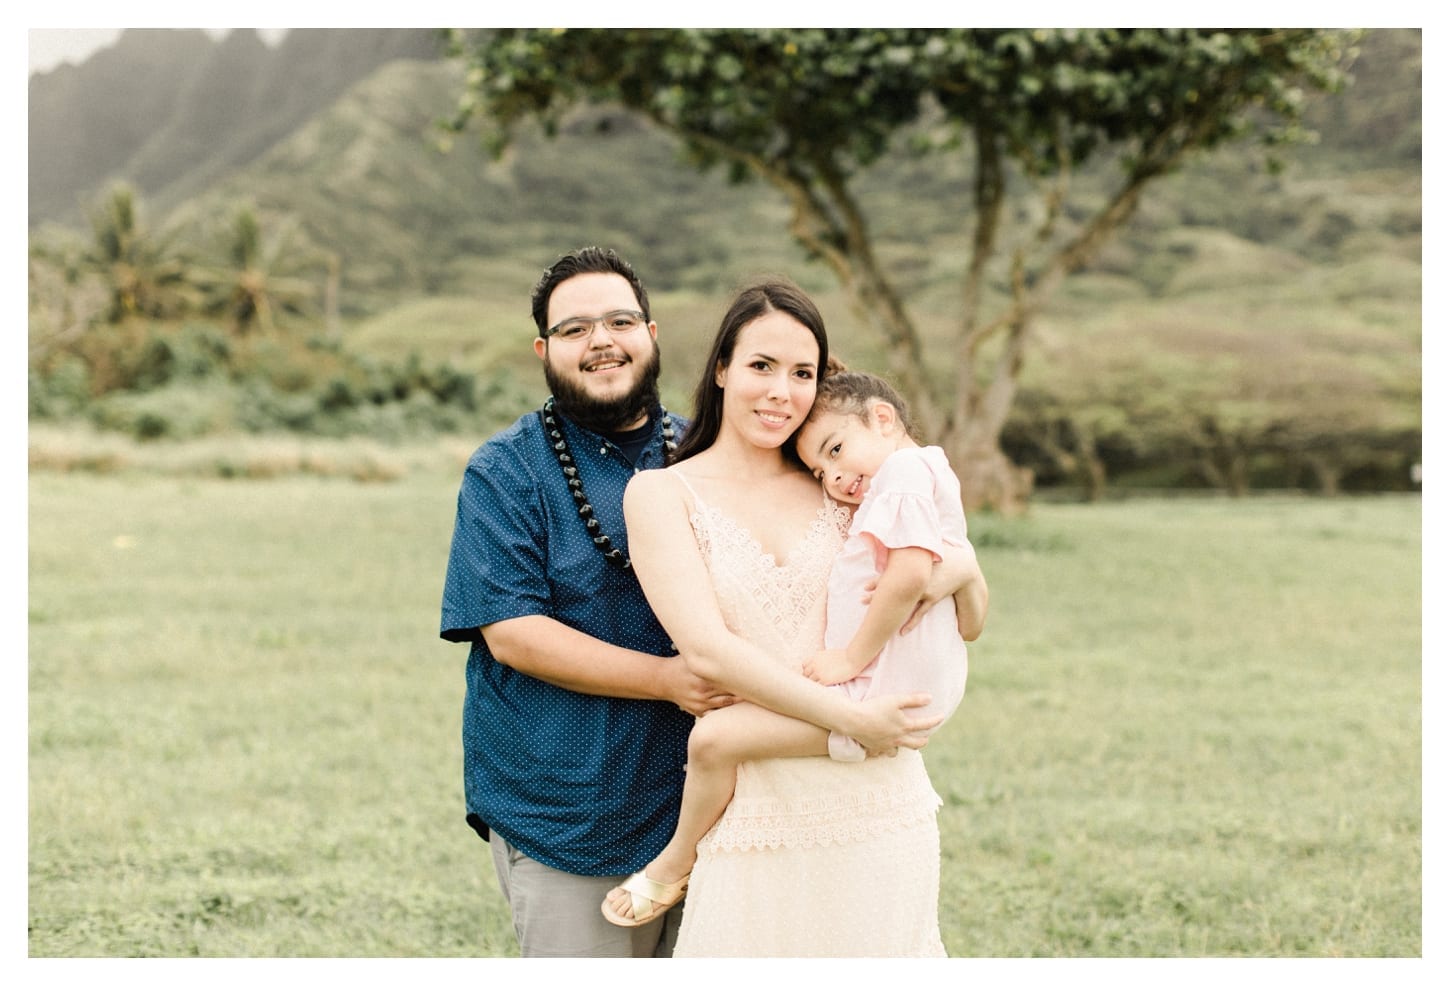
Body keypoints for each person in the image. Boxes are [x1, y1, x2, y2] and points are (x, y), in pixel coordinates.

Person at [438, 250, 945, 958]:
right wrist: (668, 679)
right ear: (544, 349)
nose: (602, 341)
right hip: (579, 800)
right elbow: (513, 635)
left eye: (619, 321)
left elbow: (898, 551)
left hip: (735, 800)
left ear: (652, 333)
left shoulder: (729, 451)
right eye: (575, 328)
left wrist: (954, 578)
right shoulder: (507, 471)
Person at [603, 279, 989, 957]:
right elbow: (708, 652)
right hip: (759, 810)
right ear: (721, 369)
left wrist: (964, 568)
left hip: (879, 804)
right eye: (761, 366)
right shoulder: (661, 494)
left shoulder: (847, 484)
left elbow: (945, 596)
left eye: (802, 373)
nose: (782, 391)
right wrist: (849, 721)